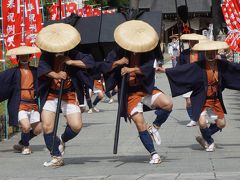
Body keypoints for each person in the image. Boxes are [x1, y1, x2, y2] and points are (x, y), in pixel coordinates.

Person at [103, 20, 173, 164]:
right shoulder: (118, 51)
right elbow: (105, 66)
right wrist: (118, 63)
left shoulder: (146, 51)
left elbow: (149, 69)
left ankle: (154, 127)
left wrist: (131, 69)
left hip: (145, 89)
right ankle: (153, 154)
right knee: (140, 124)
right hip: (129, 94)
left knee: (168, 103)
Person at [156, 40, 240, 152]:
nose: (210, 55)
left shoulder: (222, 64)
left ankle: (204, 137)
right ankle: (210, 141)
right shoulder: (199, 65)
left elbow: (235, 68)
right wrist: (165, 70)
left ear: (216, 52)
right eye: (208, 53)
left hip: (215, 98)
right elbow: (183, 70)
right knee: (201, 122)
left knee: (221, 124)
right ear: (205, 53)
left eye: (212, 52)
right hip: (201, 97)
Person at [36, 23, 95, 167]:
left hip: (69, 94)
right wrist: (56, 74)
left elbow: (89, 62)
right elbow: (42, 69)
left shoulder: (73, 53)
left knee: (76, 126)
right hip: (51, 94)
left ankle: (62, 139)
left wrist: (71, 62)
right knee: (48, 126)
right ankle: (56, 156)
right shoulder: (47, 55)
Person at [0, 46, 42, 155]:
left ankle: (21, 143)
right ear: (18, 58)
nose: (24, 58)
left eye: (26, 56)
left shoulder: (35, 71)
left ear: (29, 57)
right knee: (26, 126)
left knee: (38, 129)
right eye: (21, 56)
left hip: (33, 103)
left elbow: (46, 78)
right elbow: (2, 80)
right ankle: (26, 146)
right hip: (19, 103)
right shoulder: (13, 72)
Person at [178, 33, 207, 127]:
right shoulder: (184, 53)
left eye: (195, 42)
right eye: (191, 42)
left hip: (200, 78)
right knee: (189, 101)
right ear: (189, 42)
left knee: (201, 100)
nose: (193, 43)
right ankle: (192, 119)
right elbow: (179, 66)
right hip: (188, 78)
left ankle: (201, 117)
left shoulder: (203, 52)